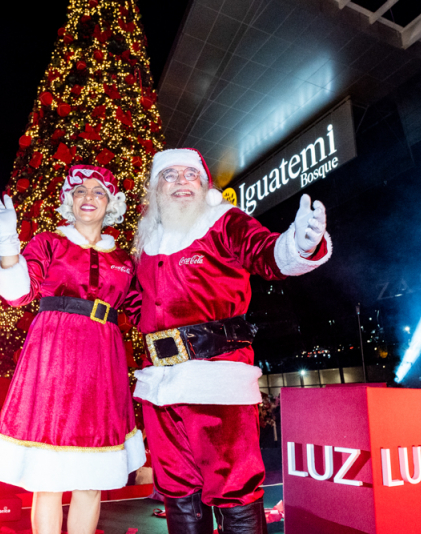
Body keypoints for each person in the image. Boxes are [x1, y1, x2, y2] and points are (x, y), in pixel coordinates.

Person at [131, 149, 331, 534]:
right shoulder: (148, 241)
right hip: (159, 387)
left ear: (204, 184)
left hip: (217, 381)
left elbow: (265, 253)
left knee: (234, 487)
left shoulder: (223, 221)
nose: (180, 181)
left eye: (190, 174)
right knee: (177, 490)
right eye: (169, 175)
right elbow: (135, 302)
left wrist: (300, 245)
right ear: (156, 188)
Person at [0, 165, 145, 534]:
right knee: (47, 479)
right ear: (69, 200)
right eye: (80, 191)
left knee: (91, 479)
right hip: (53, 357)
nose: (89, 198)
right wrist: (6, 235)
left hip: (102, 362)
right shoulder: (50, 243)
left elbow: (146, 312)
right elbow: (18, 293)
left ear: (111, 203)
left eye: (99, 192)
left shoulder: (124, 260)